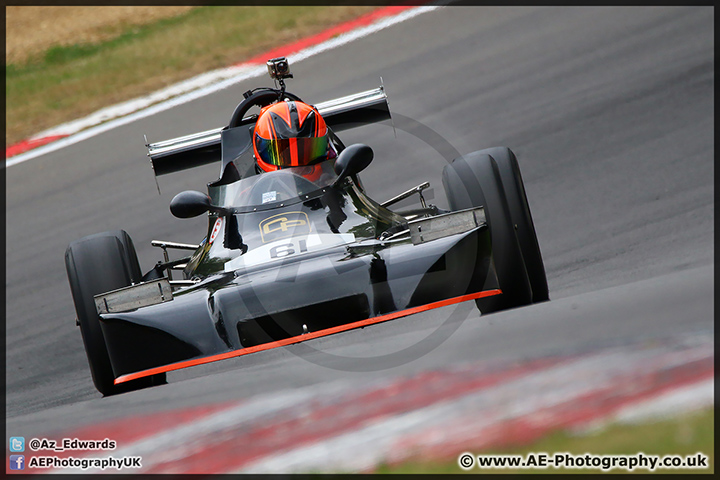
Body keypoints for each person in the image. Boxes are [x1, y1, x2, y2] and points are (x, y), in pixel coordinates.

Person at [252, 100, 337, 178]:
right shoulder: (249, 192)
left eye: (304, 151)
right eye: (284, 154)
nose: (297, 169)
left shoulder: (338, 174)